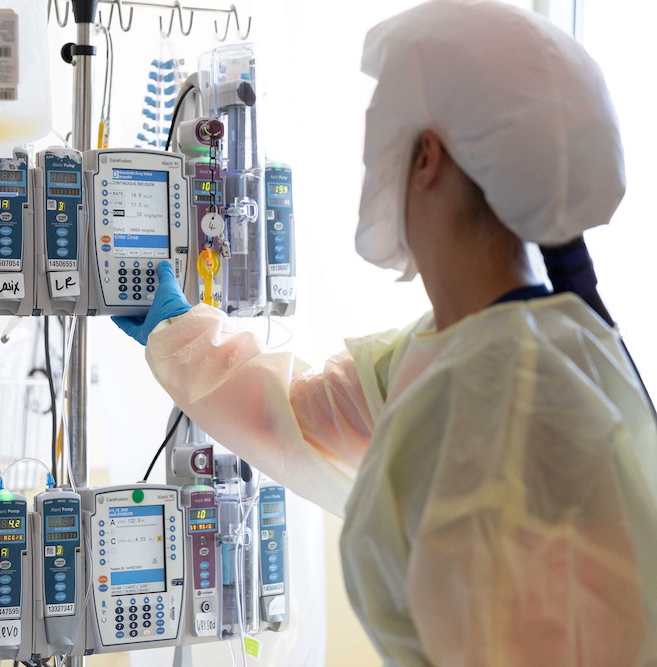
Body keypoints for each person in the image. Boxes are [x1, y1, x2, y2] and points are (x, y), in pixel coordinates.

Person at [114, 1, 657, 664]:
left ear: (426, 155)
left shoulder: (499, 403)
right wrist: (181, 336)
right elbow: (298, 417)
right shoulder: (487, 348)